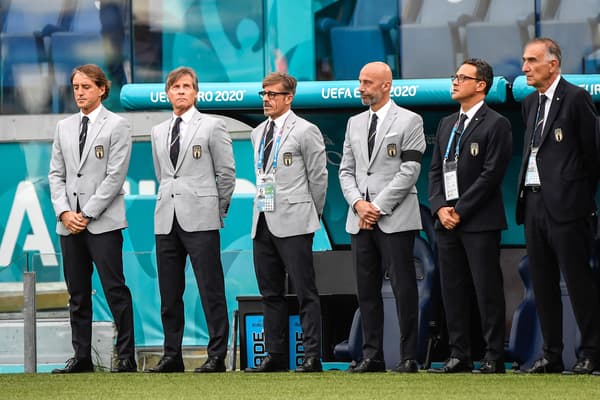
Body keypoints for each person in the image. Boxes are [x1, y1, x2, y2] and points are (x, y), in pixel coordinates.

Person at [516, 37, 600, 374]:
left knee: (579, 282)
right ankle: (551, 353)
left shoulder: (577, 99)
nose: (525, 68)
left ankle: (591, 353)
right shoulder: (528, 104)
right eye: (524, 61)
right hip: (533, 204)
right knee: (542, 282)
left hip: (568, 209)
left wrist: (575, 193)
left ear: (553, 64)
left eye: (532, 61)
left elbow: (593, 155)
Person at [147, 66, 235, 373]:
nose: (181, 91)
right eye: (175, 87)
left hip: (202, 220)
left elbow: (226, 175)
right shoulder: (158, 131)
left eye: (186, 86)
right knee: (170, 293)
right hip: (166, 219)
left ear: (196, 92)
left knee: (211, 289)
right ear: (167, 93)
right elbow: (163, 176)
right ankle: (172, 355)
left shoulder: (212, 126)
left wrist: (216, 210)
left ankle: (217, 356)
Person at [339, 61, 425, 373]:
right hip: (359, 219)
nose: (360, 88)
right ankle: (371, 356)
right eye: (360, 82)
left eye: (367, 82)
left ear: (386, 85)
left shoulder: (410, 120)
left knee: (404, 289)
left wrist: (377, 207)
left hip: (395, 217)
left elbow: (410, 170)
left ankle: (408, 357)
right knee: (366, 290)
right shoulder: (354, 123)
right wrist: (358, 205)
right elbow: (345, 170)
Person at [48, 64, 136, 373]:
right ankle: (82, 356)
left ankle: (126, 356)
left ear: (101, 89)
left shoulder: (118, 125)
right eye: (76, 87)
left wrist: (86, 213)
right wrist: (64, 212)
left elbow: (115, 176)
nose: (80, 92)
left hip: (103, 222)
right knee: (78, 293)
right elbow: (56, 175)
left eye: (86, 86)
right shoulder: (64, 126)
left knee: (114, 289)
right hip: (69, 223)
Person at [427, 59, 512, 374]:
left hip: (478, 222)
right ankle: (458, 354)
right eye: (455, 76)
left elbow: (491, 176)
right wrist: (439, 207)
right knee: (452, 289)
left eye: (462, 77)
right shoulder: (447, 123)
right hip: (446, 221)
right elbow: (435, 171)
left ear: (481, 85)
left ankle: (493, 355)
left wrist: (459, 211)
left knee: (486, 289)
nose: (455, 81)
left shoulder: (496, 123)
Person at [245, 72, 328, 373]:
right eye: (263, 94)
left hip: (295, 220)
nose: (266, 99)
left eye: (272, 94)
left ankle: (311, 355)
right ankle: (275, 355)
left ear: (288, 98)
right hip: (263, 218)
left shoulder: (306, 130)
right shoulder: (258, 132)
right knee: (270, 293)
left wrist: (310, 213)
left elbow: (319, 178)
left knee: (305, 291)